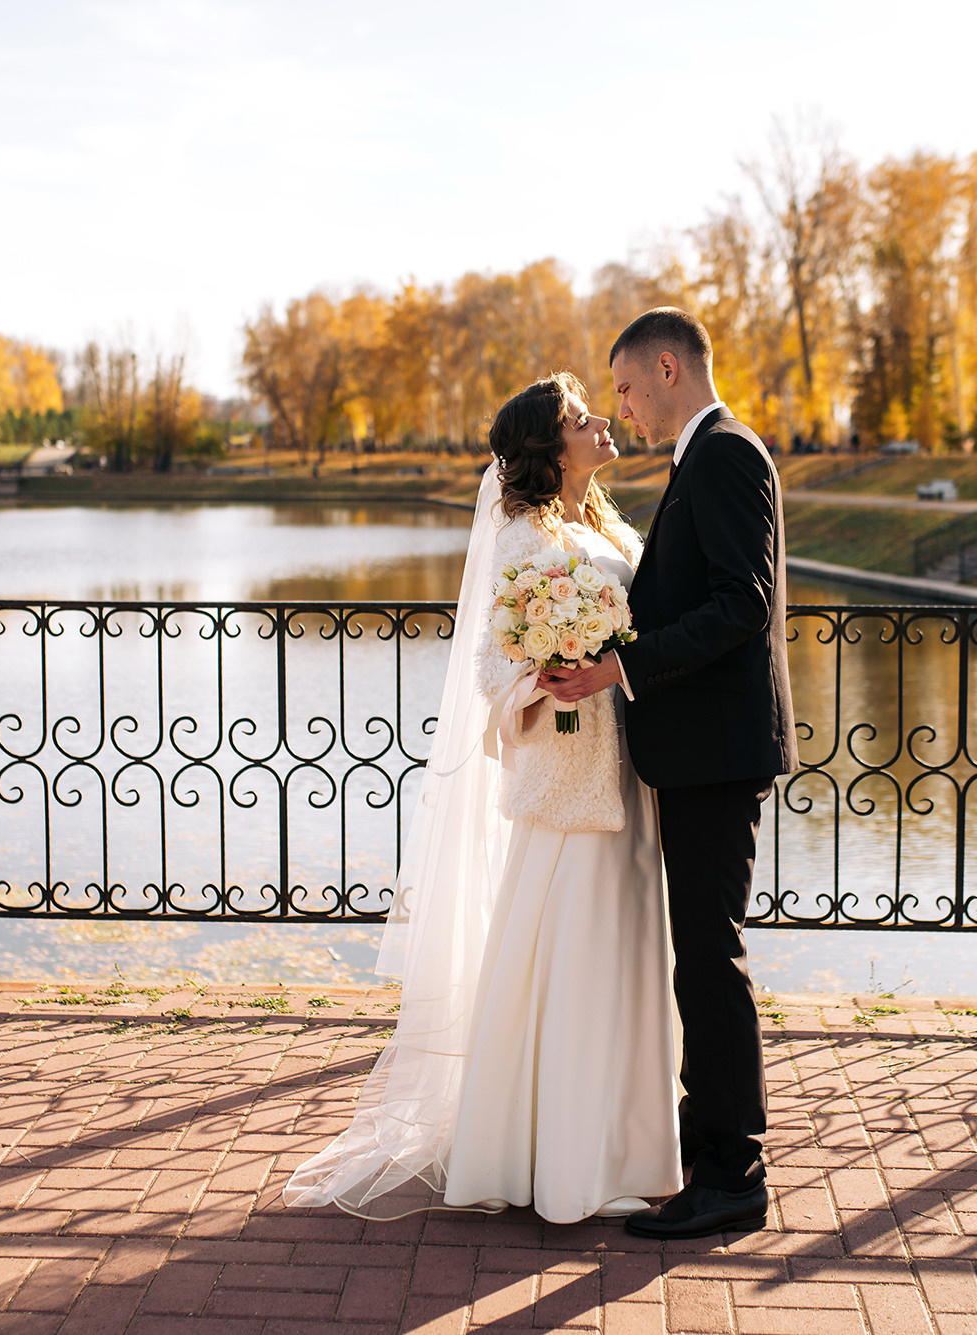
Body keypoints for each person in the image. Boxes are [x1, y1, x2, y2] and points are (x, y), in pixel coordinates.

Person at [283, 372, 681, 1224]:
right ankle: (559, 1157)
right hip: (567, 774)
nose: (601, 421)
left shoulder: (603, 521)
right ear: (550, 447)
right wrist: (548, 677)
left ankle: (625, 1142)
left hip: (630, 768)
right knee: (572, 954)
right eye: (581, 418)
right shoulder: (518, 534)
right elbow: (492, 669)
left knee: (627, 946)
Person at [542, 307, 798, 1240]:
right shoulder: (704, 455)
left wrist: (620, 665)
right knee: (702, 955)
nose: (623, 407)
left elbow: (741, 604)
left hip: (719, 753)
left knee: (711, 959)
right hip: (700, 751)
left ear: (665, 366)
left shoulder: (726, 453)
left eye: (624, 388)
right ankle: (714, 1156)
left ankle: (733, 1174)